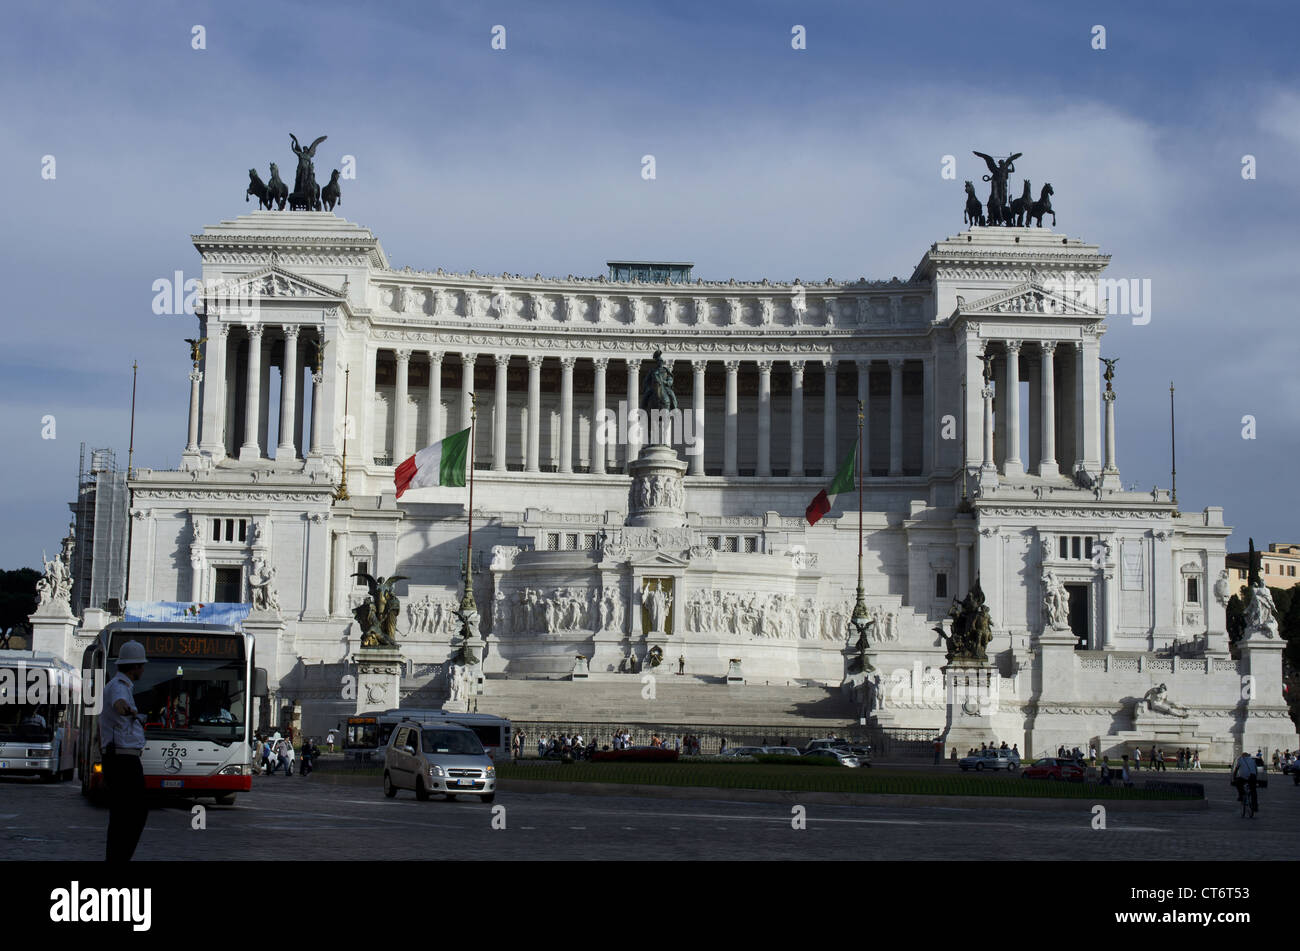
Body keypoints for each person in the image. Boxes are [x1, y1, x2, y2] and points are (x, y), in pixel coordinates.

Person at [101, 639, 151, 862]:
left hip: (123, 760)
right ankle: (118, 858)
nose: (143, 669)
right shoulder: (119, 687)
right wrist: (130, 711)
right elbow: (118, 704)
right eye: (142, 665)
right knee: (133, 814)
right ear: (134, 667)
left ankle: (117, 858)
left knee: (125, 815)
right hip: (123, 761)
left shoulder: (121, 685)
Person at [1232, 749, 1259, 814]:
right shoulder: (1252, 760)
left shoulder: (1240, 759)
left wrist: (1234, 778)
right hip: (1253, 777)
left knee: (1238, 784)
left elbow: (1236, 769)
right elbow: (1256, 770)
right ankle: (1255, 806)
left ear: (1242, 756)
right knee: (1253, 791)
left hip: (1243, 777)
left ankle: (1241, 795)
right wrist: (1255, 779)